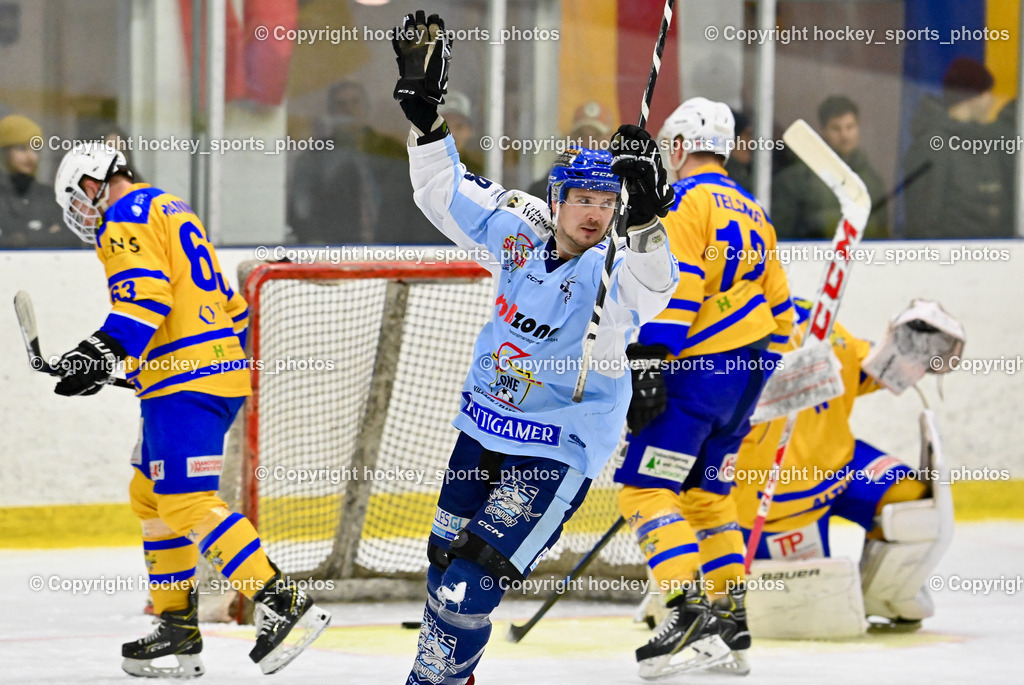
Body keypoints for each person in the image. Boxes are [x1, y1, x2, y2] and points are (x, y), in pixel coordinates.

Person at [391, 12, 678, 685]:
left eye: (606, 201)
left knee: (472, 583)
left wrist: (649, 217)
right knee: (443, 564)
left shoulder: (615, 262)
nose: (592, 211)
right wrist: (428, 124)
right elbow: (444, 191)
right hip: (483, 426)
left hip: (556, 447)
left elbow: (653, 291)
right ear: (556, 198)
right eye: (581, 197)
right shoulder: (521, 226)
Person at [51, 142, 330, 678]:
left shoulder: (122, 218)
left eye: (78, 201)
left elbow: (145, 298)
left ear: (93, 184)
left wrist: (100, 351)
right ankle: (177, 625)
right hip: (195, 377)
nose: (82, 215)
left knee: (184, 504)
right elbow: (228, 305)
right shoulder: (169, 206)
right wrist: (127, 366)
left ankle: (283, 603)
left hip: (187, 384)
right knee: (150, 496)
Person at [613, 96, 793, 678]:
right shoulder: (755, 210)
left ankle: (686, 612)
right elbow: (783, 313)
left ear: (682, 146)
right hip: (747, 379)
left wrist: (650, 360)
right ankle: (728, 619)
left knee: (644, 490)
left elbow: (681, 285)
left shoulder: (686, 202)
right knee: (706, 498)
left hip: (697, 375)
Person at [720, 298, 960, 632]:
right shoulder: (727, 332)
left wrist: (908, 351)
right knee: (805, 609)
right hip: (773, 502)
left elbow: (868, 368)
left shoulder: (816, 318)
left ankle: (882, 596)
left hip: (843, 468)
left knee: (913, 503)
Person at [903, 57, 1014, 238]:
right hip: (952, 260)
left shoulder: (985, 143)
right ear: (972, 96)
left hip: (994, 257)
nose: (992, 101)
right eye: (988, 93)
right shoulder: (932, 147)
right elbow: (923, 222)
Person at [772, 96, 888, 239]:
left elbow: (882, 233)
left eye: (850, 127)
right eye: (836, 128)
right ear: (823, 130)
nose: (844, 135)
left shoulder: (872, 180)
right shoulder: (797, 179)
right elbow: (782, 233)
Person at [0, 114, 78, 248]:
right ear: (4, 152)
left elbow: (71, 238)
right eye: (21, 149)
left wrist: (22, 238)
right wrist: (45, 234)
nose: (31, 157)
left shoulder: (49, 196)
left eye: (35, 149)